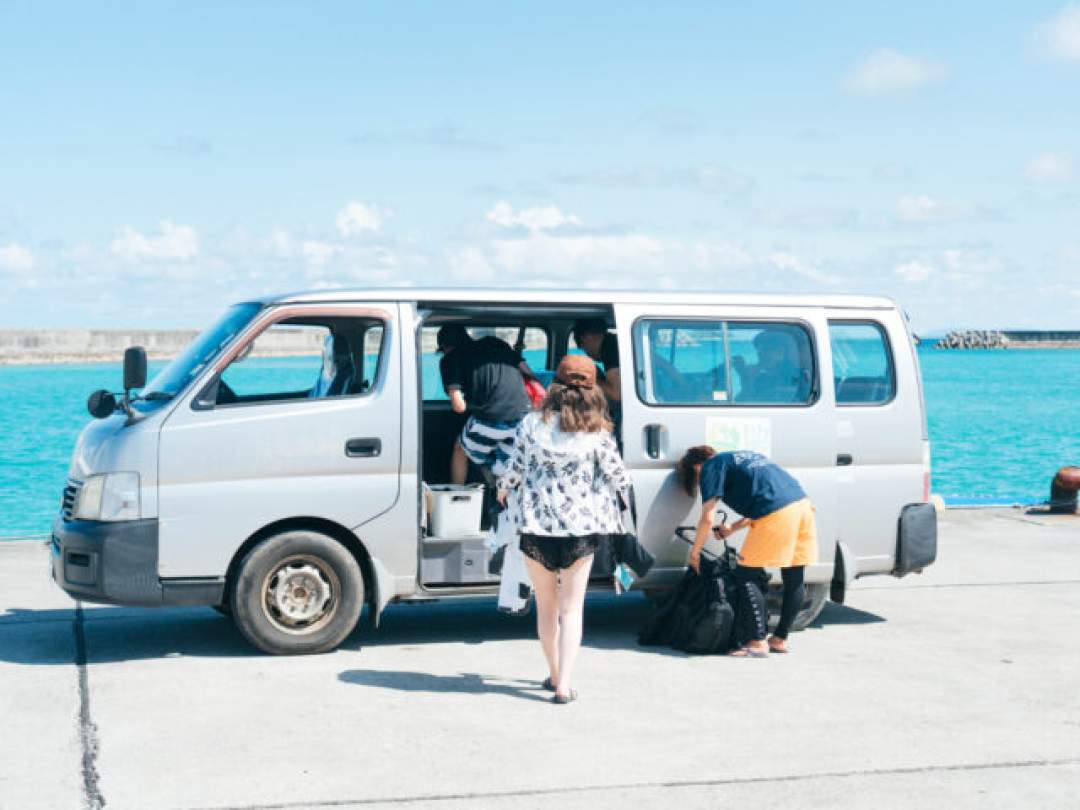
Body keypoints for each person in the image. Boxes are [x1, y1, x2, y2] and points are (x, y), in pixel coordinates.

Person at [497, 354, 629, 703]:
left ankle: (553, 672)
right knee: (572, 610)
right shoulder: (599, 432)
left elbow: (514, 470)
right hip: (580, 531)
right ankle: (564, 684)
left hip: (536, 527)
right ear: (593, 389)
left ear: (555, 386)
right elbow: (620, 477)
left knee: (547, 609)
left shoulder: (530, 425)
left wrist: (503, 489)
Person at [675, 446, 818, 657]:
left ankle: (757, 642)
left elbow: (707, 518)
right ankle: (779, 639)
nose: (700, 481)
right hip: (802, 506)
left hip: (776, 513)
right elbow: (767, 498)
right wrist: (732, 528)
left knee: (746, 575)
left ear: (697, 466)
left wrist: (694, 553)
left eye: (695, 477)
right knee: (794, 576)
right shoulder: (743, 457)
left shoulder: (711, 467)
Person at [571, 319, 620, 403]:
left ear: (585, 338)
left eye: (584, 348)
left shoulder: (610, 347)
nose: (587, 354)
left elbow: (616, 393)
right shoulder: (614, 343)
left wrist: (584, 379)